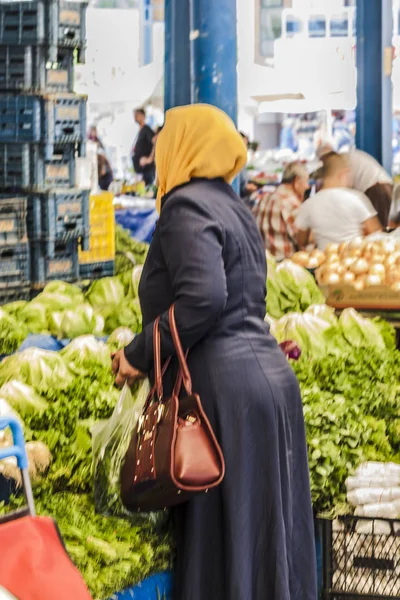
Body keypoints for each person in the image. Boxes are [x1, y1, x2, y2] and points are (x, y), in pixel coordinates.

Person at [112, 104, 317, 600]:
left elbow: (204, 297)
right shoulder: (232, 203)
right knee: (265, 536)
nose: (159, 149)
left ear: (183, 147)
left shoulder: (185, 206)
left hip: (222, 396)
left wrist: (139, 354)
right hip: (266, 383)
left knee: (226, 539)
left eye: (165, 140)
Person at [296, 152, 381, 250]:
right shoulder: (356, 199)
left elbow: (301, 240)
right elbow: (376, 235)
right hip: (353, 259)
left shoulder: (309, 204)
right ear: (342, 174)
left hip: (325, 261)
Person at [318, 143, 393, 227]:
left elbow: (341, 190)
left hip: (377, 190)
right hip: (381, 186)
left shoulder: (341, 161)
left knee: (379, 231)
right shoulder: (347, 157)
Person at [253, 161, 310, 260]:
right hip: (285, 265)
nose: (307, 186)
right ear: (296, 181)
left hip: (263, 263)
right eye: (306, 182)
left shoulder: (264, 198)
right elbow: (302, 242)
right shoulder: (291, 203)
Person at [132, 108, 156, 186]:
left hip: (147, 171)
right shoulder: (140, 130)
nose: (135, 117)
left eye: (137, 115)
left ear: (143, 116)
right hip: (141, 171)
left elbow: (157, 141)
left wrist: (149, 159)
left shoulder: (146, 129)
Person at [239, 132, 257, 202]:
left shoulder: (242, 161)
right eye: (243, 145)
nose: (245, 148)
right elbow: (240, 187)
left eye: (246, 145)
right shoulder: (234, 162)